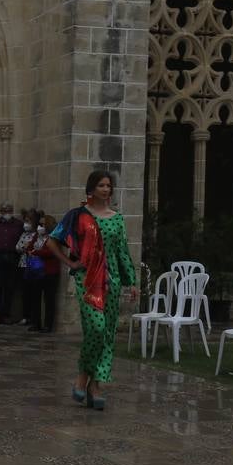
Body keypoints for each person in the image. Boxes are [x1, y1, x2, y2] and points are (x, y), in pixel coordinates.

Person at [46, 170, 138, 410]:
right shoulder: (78, 216)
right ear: (91, 189)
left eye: (109, 185)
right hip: (87, 281)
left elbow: (121, 252)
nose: (106, 189)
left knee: (107, 334)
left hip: (112, 282)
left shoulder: (117, 219)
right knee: (96, 329)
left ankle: (95, 385)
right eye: (101, 185)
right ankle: (82, 377)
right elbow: (52, 241)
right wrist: (70, 263)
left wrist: (132, 282)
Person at [0, 202, 25, 324]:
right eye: (4, 210)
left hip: (13, 256)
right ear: (0, 211)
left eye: (9, 210)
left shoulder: (18, 224)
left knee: (10, 286)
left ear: (12, 211)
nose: (6, 212)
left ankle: (7, 314)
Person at [29, 214, 61, 333]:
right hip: (37, 271)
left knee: (49, 299)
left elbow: (51, 252)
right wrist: (34, 251)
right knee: (35, 297)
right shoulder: (37, 236)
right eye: (39, 224)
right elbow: (29, 247)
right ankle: (35, 323)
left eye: (42, 224)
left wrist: (36, 252)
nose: (40, 227)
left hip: (50, 272)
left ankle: (48, 325)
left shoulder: (54, 237)